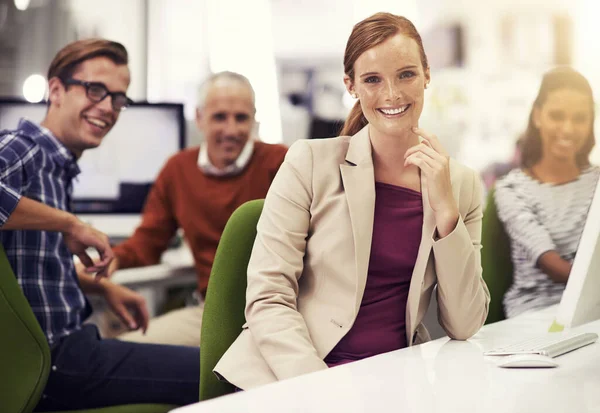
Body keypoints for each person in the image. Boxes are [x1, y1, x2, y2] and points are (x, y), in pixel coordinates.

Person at [214, 12, 490, 390]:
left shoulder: (461, 184)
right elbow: (268, 298)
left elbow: (465, 323)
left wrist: (446, 210)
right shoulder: (309, 162)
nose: (392, 94)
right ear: (351, 85)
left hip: (391, 378)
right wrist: (321, 389)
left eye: (406, 74)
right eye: (373, 80)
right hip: (296, 377)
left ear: (427, 74)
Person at [0, 38, 199, 411]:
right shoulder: (23, 147)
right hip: (56, 361)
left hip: (61, 353)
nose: (108, 107)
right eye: (95, 90)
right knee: (216, 372)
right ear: (56, 89)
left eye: (118, 98)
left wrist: (103, 288)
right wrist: (69, 224)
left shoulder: (56, 168)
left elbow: (24, 274)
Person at [82, 71, 287, 346]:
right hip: (215, 315)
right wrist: (114, 259)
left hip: (281, 310)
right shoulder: (178, 170)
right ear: (200, 118)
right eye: (219, 117)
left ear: (254, 120)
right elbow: (148, 242)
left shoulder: (282, 162)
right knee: (121, 349)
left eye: (241, 118)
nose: (231, 130)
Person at [495, 67, 598, 318]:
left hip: (593, 311)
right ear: (538, 116)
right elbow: (550, 263)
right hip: (537, 312)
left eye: (579, 119)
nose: (568, 128)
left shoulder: (597, 181)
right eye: (557, 116)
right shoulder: (512, 189)